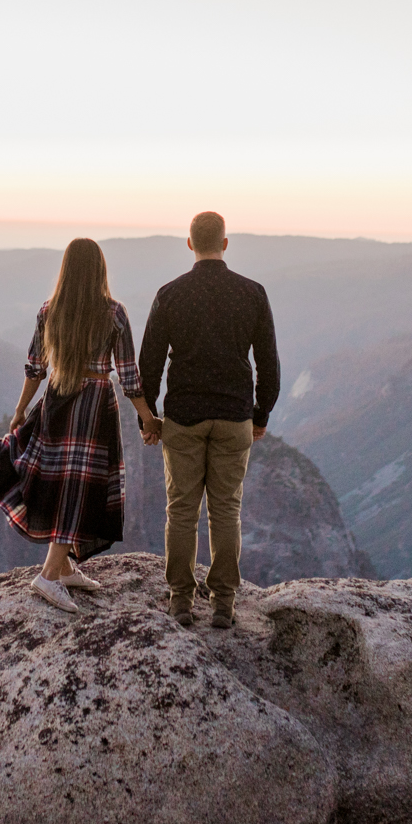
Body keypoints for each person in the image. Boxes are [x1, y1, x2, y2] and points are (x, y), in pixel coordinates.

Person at [0, 237, 160, 614]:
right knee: (80, 488)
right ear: (100, 269)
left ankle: (65, 567)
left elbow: (35, 367)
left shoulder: (50, 311)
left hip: (57, 400)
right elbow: (129, 376)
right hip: (94, 405)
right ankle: (49, 576)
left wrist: (20, 409)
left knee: (64, 482)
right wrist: (148, 417)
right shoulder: (114, 314)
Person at [137, 210, 279, 629]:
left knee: (181, 511)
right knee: (226, 511)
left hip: (183, 416)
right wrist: (260, 414)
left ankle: (181, 599)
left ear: (189, 244)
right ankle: (223, 603)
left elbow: (149, 364)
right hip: (234, 416)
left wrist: (150, 418)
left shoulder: (170, 294)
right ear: (225, 243)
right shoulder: (252, 293)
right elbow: (268, 363)